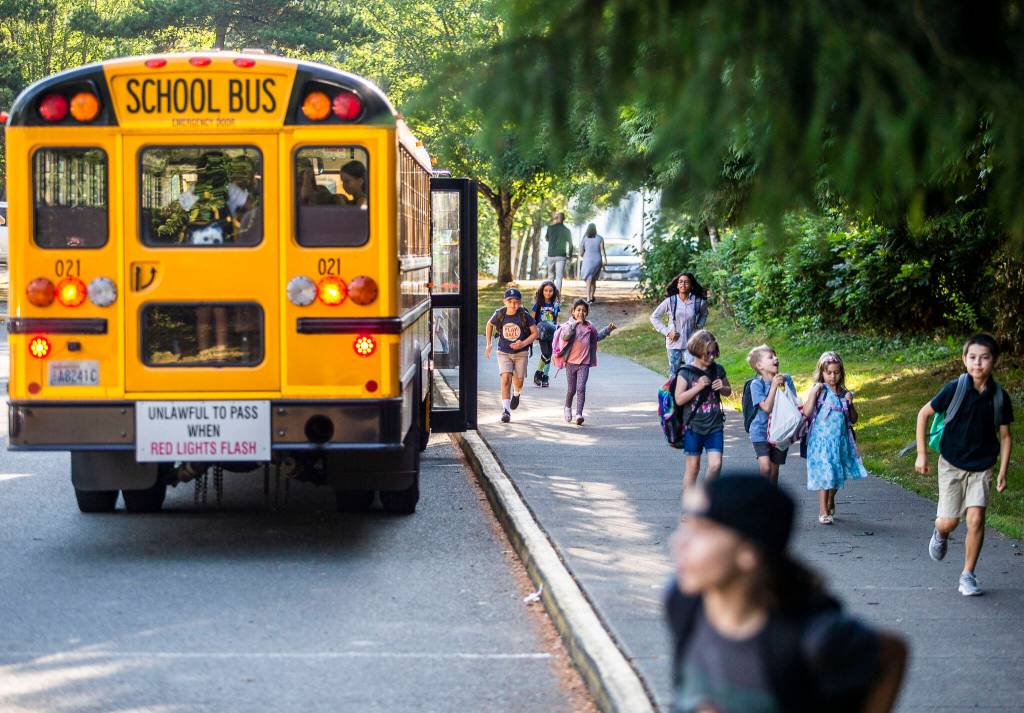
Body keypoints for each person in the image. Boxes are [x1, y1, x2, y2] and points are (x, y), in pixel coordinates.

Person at [665, 476, 909, 713]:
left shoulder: (813, 638)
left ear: (749, 552)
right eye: (684, 527)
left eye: (701, 531)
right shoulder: (683, 602)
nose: (678, 542)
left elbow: (891, 653)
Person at [915, 333, 1013, 596]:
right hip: (951, 463)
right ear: (964, 360)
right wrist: (922, 454)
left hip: (982, 466)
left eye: (984, 358)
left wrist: (1002, 470)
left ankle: (967, 575)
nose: (978, 363)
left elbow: (1005, 436)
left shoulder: (1000, 397)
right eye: (972, 358)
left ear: (995, 361)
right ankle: (941, 533)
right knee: (949, 521)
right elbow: (923, 414)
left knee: (976, 518)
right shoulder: (954, 389)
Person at [802, 352, 867, 525]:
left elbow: (853, 419)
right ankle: (823, 510)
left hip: (840, 441)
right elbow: (806, 412)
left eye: (836, 372)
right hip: (821, 442)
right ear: (822, 373)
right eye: (828, 372)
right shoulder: (819, 391)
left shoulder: (845, 394)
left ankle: (831, 498)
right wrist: (813, 394)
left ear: (841, 373)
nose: (832, 376)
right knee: (826, 474)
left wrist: (850, 403)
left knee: (837, 475)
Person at [674, 330, 730, 490]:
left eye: (714, 352)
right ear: (697, 352)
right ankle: (689, 506)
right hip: (693, 426)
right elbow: (679, 399)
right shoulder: (686, 372)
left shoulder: (718, 369)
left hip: (715, 426)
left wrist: (722, 387)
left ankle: (704, 502)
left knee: (716, 465)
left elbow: (728, 391)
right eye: (708, 353)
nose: (711, 357)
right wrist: (698, 387)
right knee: (693, 468)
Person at [554, 299, 616, 425]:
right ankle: (567, 408)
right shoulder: (567, 326)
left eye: (583, 310)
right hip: (571, 363)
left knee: (581, 388)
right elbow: (565, 336)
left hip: (584, 364)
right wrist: (574, 324)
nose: (581, 312)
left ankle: (579, 414)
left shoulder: (589, 327)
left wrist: (607, 330)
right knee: (571, 389)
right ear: (573, 312)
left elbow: (597, 337)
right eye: (578, 310)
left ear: (586, 313)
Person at [746, 345, 798, 485]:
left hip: (780, 432)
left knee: (774, 470)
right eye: (770, 357)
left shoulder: (786, 379)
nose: (776, 358)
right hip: (760, 432)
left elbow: (793, 404)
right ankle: (761, 498)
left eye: (775, 356)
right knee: (765, 467)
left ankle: (771, 501)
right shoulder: (756, 384)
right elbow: (766, 408)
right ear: (759, 365)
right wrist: (774, 386)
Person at [485, 288, 538, 423]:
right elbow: (489, 325)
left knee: (518, 381)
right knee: (506, 378)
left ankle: (517, 393)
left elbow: (534, 333)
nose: (513, 305)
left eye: (516, 302)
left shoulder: (524, 315)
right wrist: (489, 343)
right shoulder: (500, 313)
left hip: (521, 353)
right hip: (504, 352)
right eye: (510, 301)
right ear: (505, 301)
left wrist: (523, 343)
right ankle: (506, 411)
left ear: (520, 303)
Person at [650, 272, 709, 376]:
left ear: (691, 286)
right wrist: (668, 332)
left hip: (691, 343)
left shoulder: (698, 302)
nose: (683, 285)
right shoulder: (670, 301)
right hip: (673, 343)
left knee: (692, 372)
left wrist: (699, 326)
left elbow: (704, 314)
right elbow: (654, 317)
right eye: (680, 282)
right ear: (677, 285)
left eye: (686, 282)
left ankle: (690, 392)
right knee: (674, 373)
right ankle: (672, 392)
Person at [531, 280, 561, 387]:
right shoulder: (538, 304)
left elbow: (556, 319)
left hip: (552, 332)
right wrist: (533, 333)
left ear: (554, 292)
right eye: (546, 290)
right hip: (542, 333)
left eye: (550, 291)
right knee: (546, 353)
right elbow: (532, 319)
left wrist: (558, 329)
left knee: (550, 354)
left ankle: (545, 376)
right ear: (542, 291)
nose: (548, 293)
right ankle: (538, 374)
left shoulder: (555, 305)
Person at [544, 211, 573, 293]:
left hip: (551, 254)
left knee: (550, 276)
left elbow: (547, 239)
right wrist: (570, 255)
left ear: (556, 218)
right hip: (561, 255)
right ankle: (557, 296)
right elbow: (570, 244)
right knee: (559, 277)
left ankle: (549, 294)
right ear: (564, 219)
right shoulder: (567, 230)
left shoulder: (550, 228)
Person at [578, 223, 607, 304]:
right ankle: (591, 296)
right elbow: (602, 250)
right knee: (593, 280)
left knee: (588, 279)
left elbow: (581, 252)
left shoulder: (584, 239)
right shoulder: (600, 238)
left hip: (588, 259)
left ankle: (588, 298)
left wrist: (585, 255)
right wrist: (605, 259)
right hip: (597, 260)